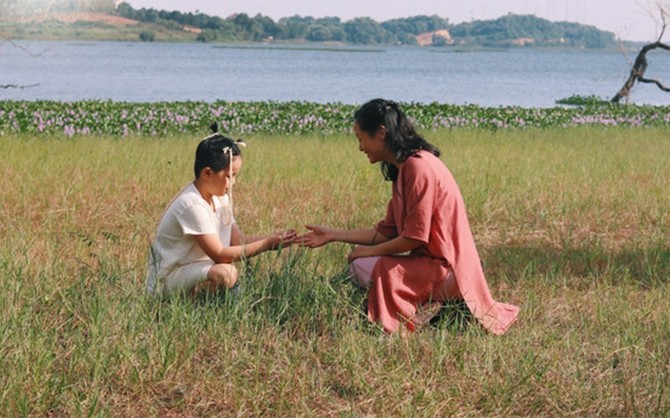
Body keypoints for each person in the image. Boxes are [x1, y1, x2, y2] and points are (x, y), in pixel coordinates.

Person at [297, 98, 518, 335]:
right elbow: (385, 232)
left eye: (361, 139)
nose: (360, 147)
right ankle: (434, 307)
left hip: (449, 269)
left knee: (364, 266)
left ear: (381, 133)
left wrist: (369, 252)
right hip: (435, 265)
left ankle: (434, 306)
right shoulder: (403, 169)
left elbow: (415, 238)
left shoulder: (418, 167)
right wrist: (332, 235)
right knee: (359, 265)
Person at [147, 128, 296, 297]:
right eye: (229, 176)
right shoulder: (192, 205)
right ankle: (187, 303)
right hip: (167, 280)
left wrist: (276, 238)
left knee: (227, 272)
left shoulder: (220, 197)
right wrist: (267, 244)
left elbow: (238, 241)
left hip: (194, 270)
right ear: (207, 173)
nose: (233, 182)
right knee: (226, 273)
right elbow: (220, 255)